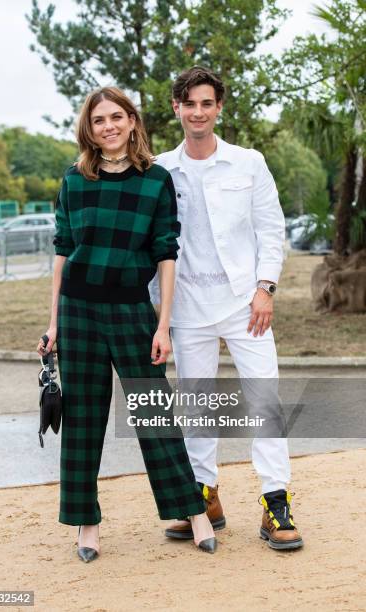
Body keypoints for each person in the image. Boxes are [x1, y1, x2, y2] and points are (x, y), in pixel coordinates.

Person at [37, 86, 216, 563]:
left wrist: (163, 325)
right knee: (83, 421)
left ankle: (193, 511)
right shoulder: (73, 180)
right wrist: (53, 323)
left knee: (155, 414)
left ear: (132, 121)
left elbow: (166, 253)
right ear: (89, 130)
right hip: (78, 310)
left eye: (116, 117)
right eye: (98, 121)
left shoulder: (155, 180)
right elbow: (61, 249)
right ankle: (86, 523)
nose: (108, 126)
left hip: (133, 311)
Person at [150, 66, 303, 550]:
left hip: (245, 305)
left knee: (265, 402)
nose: (198, 112)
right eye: (189, 104)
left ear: (218, 108)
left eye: (207, 104)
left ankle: (274, 503)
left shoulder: (249, 163)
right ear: (177, 108)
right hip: (187, 308)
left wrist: (266, 288)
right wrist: (160, 315)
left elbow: (269, 229)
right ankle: (205, 498)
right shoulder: (157, 170)